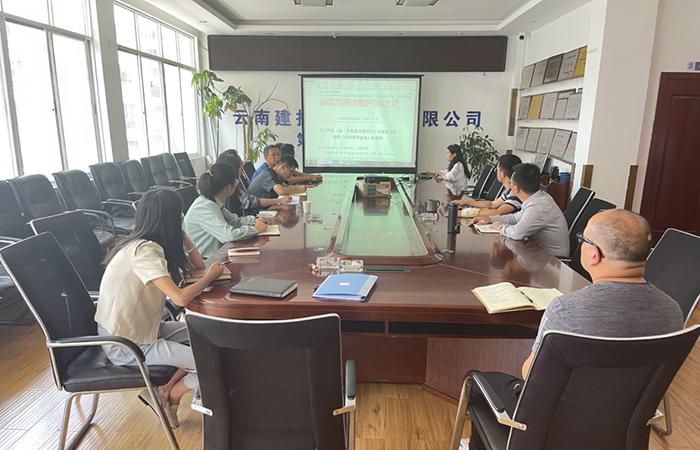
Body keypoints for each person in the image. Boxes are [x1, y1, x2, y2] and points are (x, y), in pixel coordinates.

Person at [473, 210, 684, 432]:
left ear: (595, 254)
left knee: (481, 386)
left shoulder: (566, 309)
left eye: (583, 239)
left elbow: (532, 375)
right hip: (625, 428)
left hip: (554, 429)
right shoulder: (672, 310)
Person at [95, 189, 224, 428]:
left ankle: (162, 390)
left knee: (208, 334)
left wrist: (182, 234)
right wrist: (211, 277)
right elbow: (180, 298)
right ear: (171, 218)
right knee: (215, 362)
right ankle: (172, 395)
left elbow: (198, 266)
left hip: (144, 330)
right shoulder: (144, 252)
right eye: (179, 215)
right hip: (128, 344)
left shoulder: (140, 244)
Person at [471, 163, 569, 257]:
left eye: (511, 183)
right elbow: (515, 217)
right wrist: (490, 219)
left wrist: (502, 227)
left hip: (552, 261)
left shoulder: (539, 207)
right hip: (537, 255)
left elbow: (517, 233)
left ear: (515, 188)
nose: (509, 186)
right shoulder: (537, 198)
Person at [183, 163, 266, 258]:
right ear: (228, 187)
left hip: (218, 254)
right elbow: (229, 236)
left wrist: (253, 220)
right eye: (235, 182)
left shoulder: (213, 201)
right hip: (204, 261)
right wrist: (255, 229)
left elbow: (234, 221)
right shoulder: (204, 207)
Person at [216, 150, 290, 216]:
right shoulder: (228, 188)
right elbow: (250, 202)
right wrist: (278, 201)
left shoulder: (234, 182)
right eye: (241, 163)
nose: (242, 166)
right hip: (253, 212)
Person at [451, 154, 523, 216]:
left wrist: (461, 213)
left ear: (502, 174)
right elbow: (492, 204)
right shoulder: (509, 190)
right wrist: (467, 202)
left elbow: (498, 212)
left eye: (497, 170)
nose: (496, 172)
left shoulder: (516, 193)